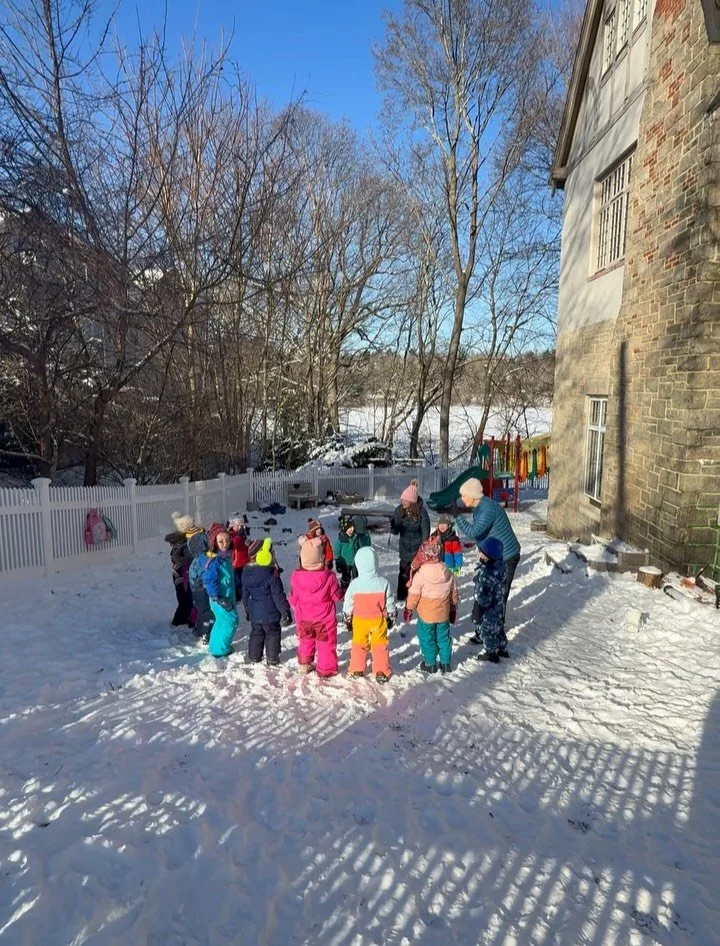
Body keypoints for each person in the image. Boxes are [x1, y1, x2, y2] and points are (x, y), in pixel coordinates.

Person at [455, 477, 521, 629]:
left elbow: (473, 531)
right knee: (485, 592)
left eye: (464, 495)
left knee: (498, 597)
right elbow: (482, 532)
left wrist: (457, 515)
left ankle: (496, 635)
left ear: (472, 495)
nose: (462, 498)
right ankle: (484, 630)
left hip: (507, 556)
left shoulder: (487, 508)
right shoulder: (479, 507)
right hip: (493, 555)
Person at [289, 537, 344, 676]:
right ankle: (326, 669)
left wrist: (296, 605)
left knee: (305, 641)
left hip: (303, 617)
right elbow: (336, 596)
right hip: (324, 619)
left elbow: (293, 597)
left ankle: (305, 663)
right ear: (321, 557)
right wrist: (342, 592)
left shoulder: (295, 576)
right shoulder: (329, 577)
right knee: (326, 644)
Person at [343, 546, 396, 683]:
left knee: (358, 644)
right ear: (376, 562)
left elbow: (348, 602)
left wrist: (347, 618)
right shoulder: (383, 583)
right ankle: (381, 670)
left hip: (359, 620)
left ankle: (356, 669)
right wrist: (391, 616)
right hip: (378, 620)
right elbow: (389, 600)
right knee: (379, 645)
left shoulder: (355, 584)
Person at [406, 542, 459, 674]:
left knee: (427, 638)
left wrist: (409, 608)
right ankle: (446, 663)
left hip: (426, 615)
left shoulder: (420, 574)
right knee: (443, 637)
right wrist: (453, 605)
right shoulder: (447, 571)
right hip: (443, 614)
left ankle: (430, 664)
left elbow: (414, 595)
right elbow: (454, 591)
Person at [242, 538, 292, 666]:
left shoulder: (246, 572)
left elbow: (245, 593)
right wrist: (285, 611)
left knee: (256, 633)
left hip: (254, 612)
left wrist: (247, 609)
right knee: (273, 633)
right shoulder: (271, 575)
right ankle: (272, 658)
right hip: (270, 613)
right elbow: (278, 596)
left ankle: (254, 657)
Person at [390, 479, 430, 602]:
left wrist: (422, 550)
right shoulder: (399, 510)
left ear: (412, 501)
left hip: (417, 548)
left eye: (405, 499)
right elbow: (395, 531)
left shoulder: (422, 512)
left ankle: (417, 596)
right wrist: (394, 525)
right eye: (402, 499)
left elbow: (425, 532)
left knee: (417, 574)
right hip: (404, 548)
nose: (402, 501)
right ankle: (402, 595)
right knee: (403, 572)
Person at [201, 525, 238, 658]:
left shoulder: (225, 556)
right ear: (214, 543)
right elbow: (209, 580)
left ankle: (215, 646)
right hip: (220, 599)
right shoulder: (214, 561)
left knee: (221, 621)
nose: (225, 544)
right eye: (221, 541)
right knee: (230, 621)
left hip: (227, 595)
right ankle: (221, 649)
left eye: (227, 540)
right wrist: (217, 597)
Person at [471, 537, 508, 663]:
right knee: (498, 626)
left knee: (488, 630)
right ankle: (502, 647)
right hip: (499, 604)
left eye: (481, 552)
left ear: (488, 555)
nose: (479, 553)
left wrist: (478, 608)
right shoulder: (501, 566)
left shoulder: (487, 572)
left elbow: (483, 596)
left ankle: (491, 653)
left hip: (489, 608)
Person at [164, 525, 193, 628]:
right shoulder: (179, 547)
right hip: (180, 573)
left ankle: (184, 618)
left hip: (181, 572)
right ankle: (179, 620)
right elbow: (177, 558)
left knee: (184, 597)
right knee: (183, 597)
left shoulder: (182, 545)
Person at [334, 516, 361, 591]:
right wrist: (338, 563)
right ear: (344, 529)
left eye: (352, 527)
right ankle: (344, 589)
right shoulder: (340, 540)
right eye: (349, 528)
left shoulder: (356, 537)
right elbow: (337, 552)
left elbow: (358, 547)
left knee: (357, 576)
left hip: (355, 561)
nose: (352, 529)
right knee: (346, 577)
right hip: (345, 563)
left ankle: (356, 590)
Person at [227, 512, 249, 599]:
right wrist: (239, 536)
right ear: (233, 525)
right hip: (236, 563)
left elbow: (245, 545)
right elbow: (234, 545)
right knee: (237, 581)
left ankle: (244, 592)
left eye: (242, 525)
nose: (241, 527)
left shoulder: (242, 534)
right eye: (238, 525)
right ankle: (238, 594)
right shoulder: (231, 535)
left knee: (244, 579)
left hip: (244, 560)